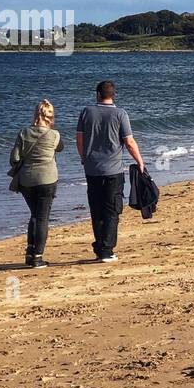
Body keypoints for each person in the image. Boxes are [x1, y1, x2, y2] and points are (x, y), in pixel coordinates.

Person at [77, 80, 144, 263]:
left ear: (98, 94)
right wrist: (140, 161)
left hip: (92, 169)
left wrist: (84, 158)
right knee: (112, 209)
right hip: (113, 170)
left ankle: (101, 247)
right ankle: (106, 250)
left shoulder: (86, 112)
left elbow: (80, 139)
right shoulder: (120, 113)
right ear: (113, 95)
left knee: (96, 209)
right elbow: (129, 142)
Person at [9, 99, 64, 268]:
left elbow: (14, 159)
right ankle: (37, 257)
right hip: (47, 179)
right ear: (51, 116)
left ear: (35, 114)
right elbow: (60, 148)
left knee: (34, 215)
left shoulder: (23, 133)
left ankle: (30, 252)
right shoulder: (54, 135)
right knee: (42, 218)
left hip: (26, 180)